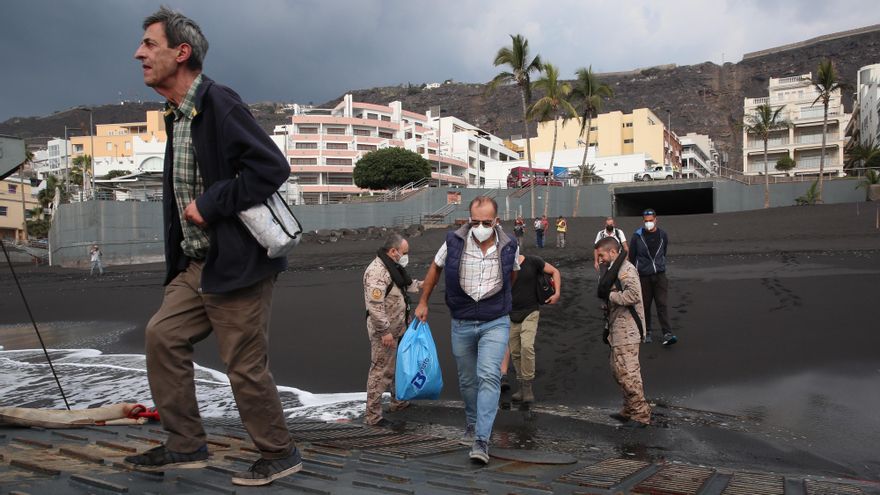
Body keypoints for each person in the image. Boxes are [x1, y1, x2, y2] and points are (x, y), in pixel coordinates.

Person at [124, 8, 301, 486]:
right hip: (197, 263)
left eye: (149, 44)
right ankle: (185, 444)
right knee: (162, 336)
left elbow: (271, 168)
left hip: (238, 265)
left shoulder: (219, 102)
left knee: (243, 365)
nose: (139, 53)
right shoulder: (178, 115)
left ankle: (280, 452)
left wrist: (213, 202)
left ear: (181, 53)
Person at [415, 196, 519, 465]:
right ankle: (472, 424)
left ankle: (482, 439)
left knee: (488, 376)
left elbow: (512, 274)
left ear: (496, 221)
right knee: (467, 380)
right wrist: (423, 301)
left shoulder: (509, 245)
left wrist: (500, 300)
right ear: (469, 219)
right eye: (476, 221)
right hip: (461, 320)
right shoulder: (454, 241)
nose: (481, 226)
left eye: (486, 222)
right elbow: (435, 268)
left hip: (495, 320)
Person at [363, 234, 422, 427]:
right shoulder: (377, 272)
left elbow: (405, 286)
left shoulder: (393, 267)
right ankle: (373, 416)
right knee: (380, 372)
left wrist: (425, 283)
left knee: (399, 368)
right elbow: (375, 306)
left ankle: (398, 401)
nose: (406, 256)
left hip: (400, 326)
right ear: (393, 251)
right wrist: (384, 331)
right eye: (404, 253)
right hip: (386, 332)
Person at [595, 237, 651, 428]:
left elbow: (634, 295)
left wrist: (610, 296)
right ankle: (629, 408)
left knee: (628, 372)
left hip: (628, 329)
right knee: (617, 370)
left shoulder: (626, 270)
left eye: (602, 255)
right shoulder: (613, 270)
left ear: (612, 252)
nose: (600, 259)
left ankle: (641, 415)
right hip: (617, 329)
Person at [508, 253, 561, 404]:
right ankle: (521, 386)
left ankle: (527, 386)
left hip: (531, 311)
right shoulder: (503, 265)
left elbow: (555, 271)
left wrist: (557, 293)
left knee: (527, 346)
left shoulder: (533, 261)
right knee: (515, 352)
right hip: (510, 314)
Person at [628, 209, 678, 346]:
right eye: (646, 221)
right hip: (643, 276)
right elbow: (632, 257)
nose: (648, 223)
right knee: (645, 305)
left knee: (662, 304)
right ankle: (646, 332)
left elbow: (664, 252)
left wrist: (658, 265)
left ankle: (667, 333)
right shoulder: (637, 236)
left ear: (656, 220)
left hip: (660, 275)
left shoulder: (663, 235)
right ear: (643, 221)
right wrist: (633, 275)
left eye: (651, 220)